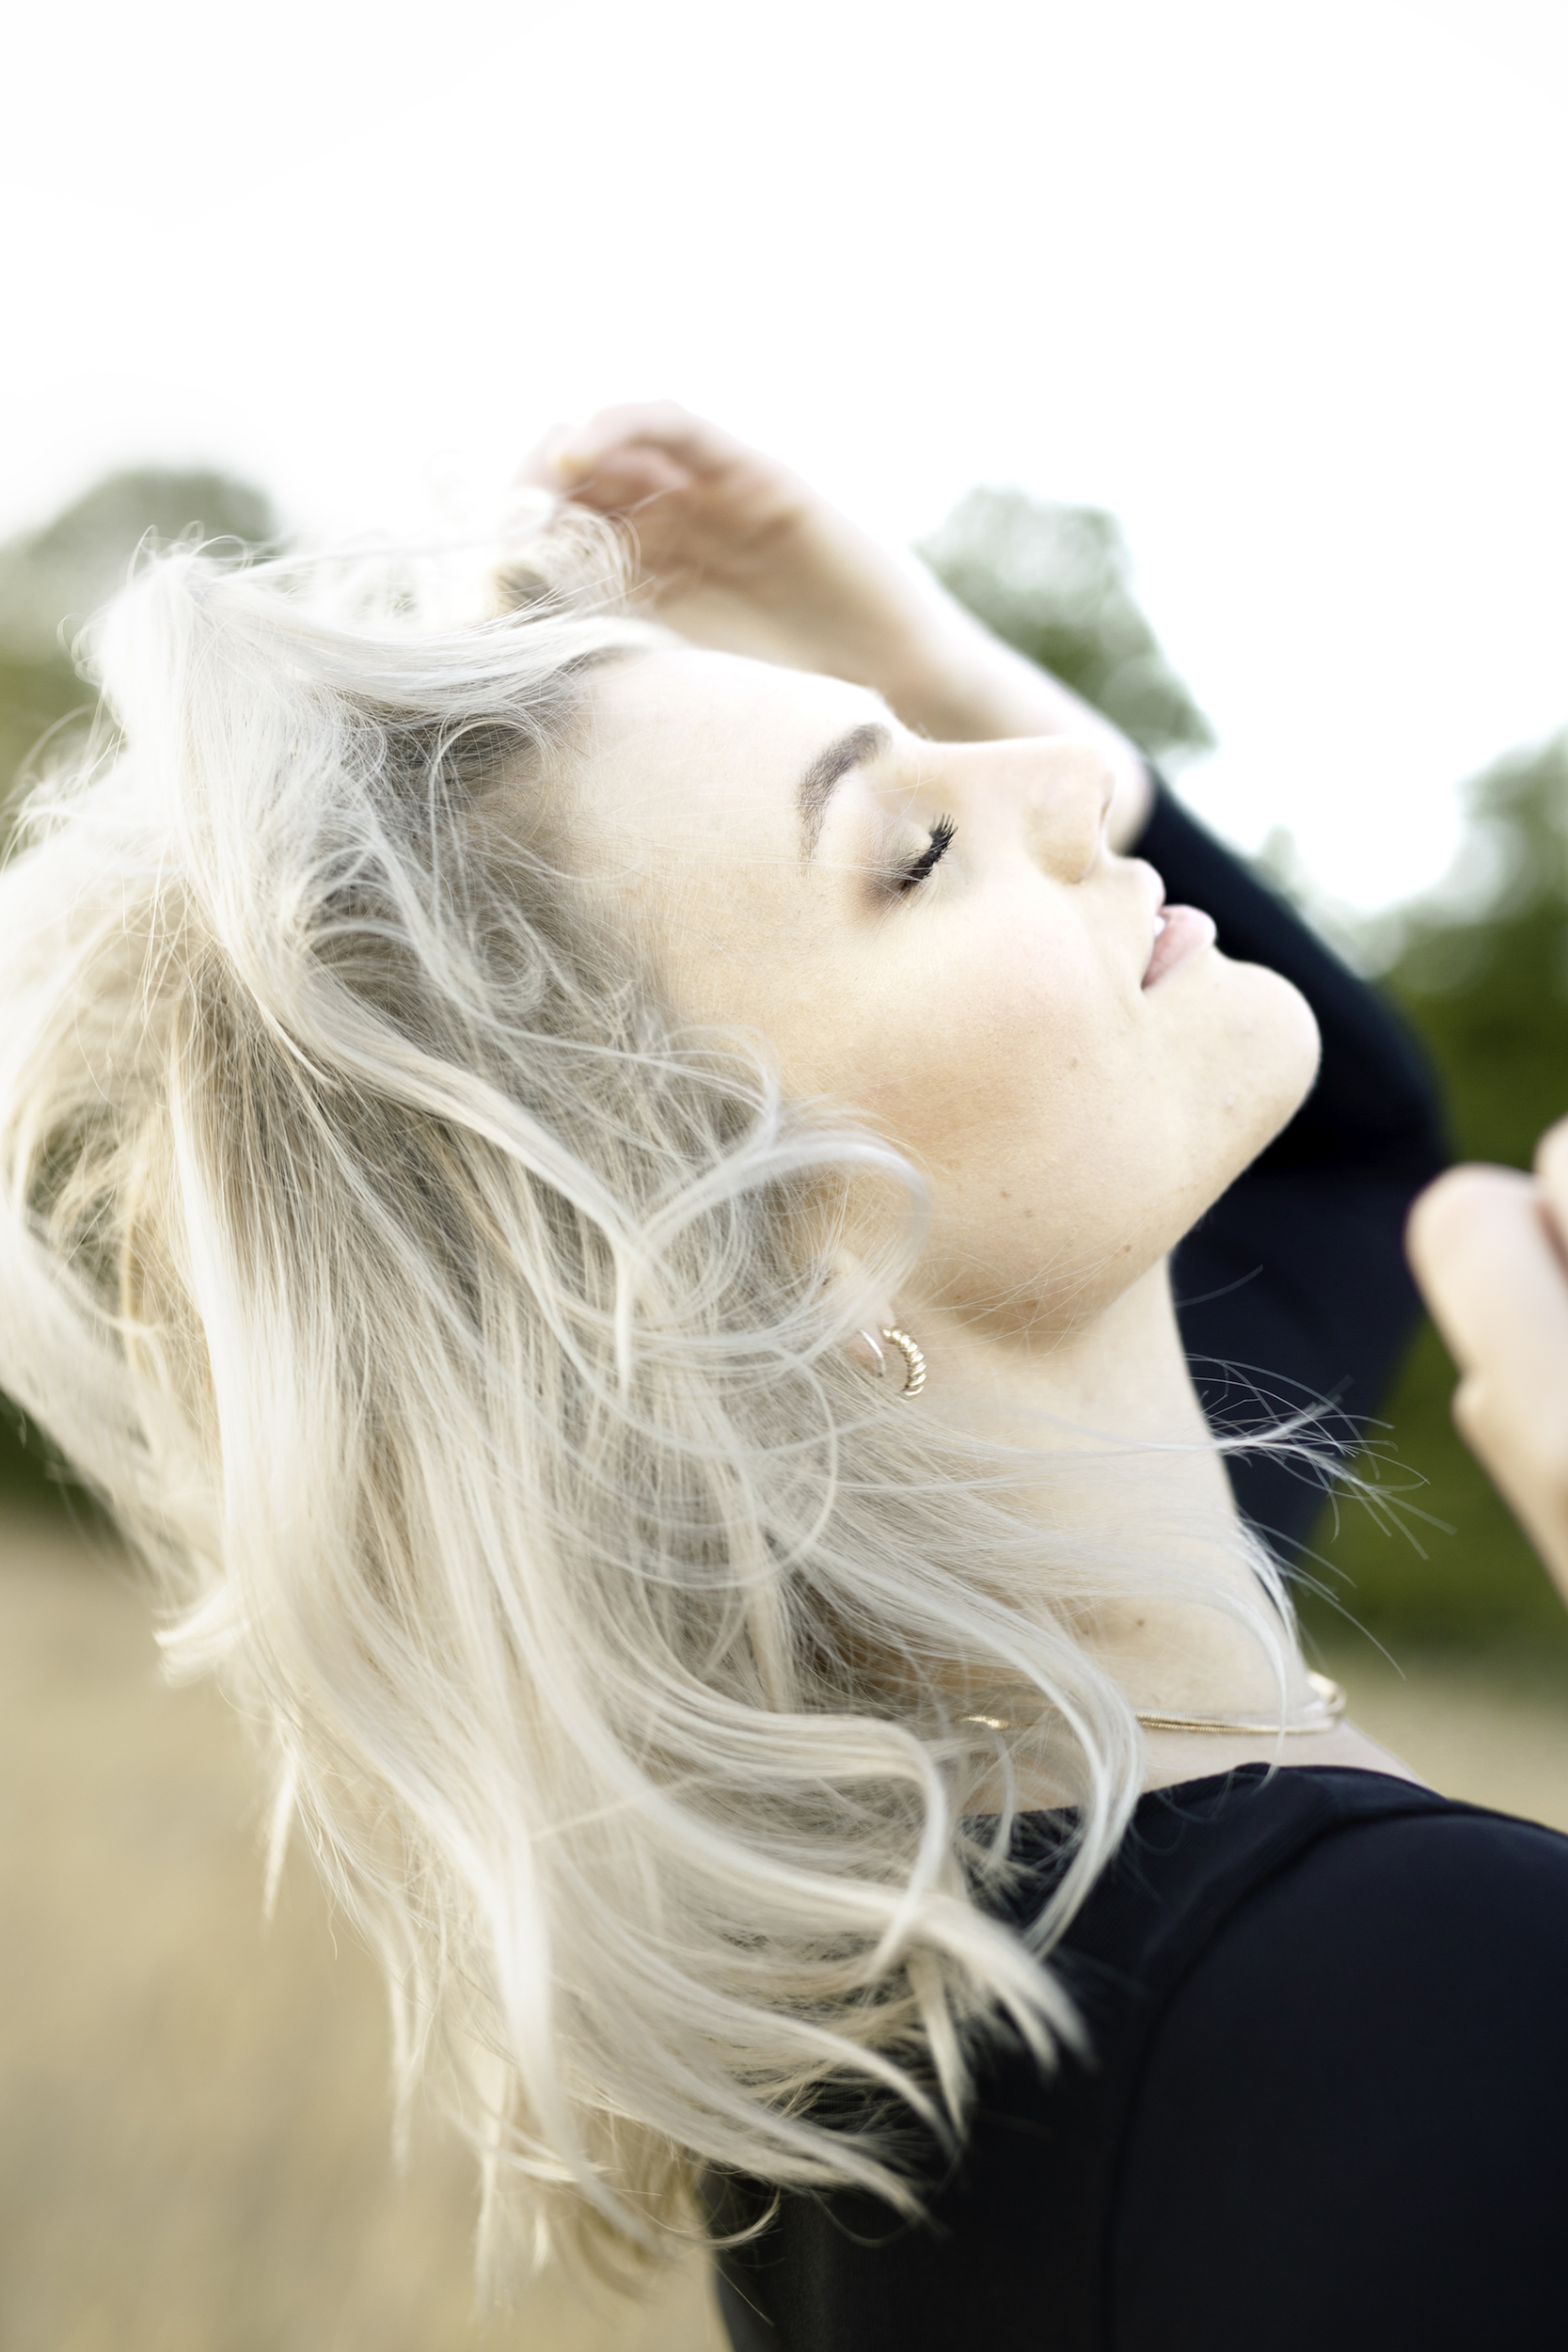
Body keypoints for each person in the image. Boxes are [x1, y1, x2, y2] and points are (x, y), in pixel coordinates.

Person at [1, 405, 1563, 2351]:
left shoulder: (962, 1910)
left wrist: (909, 653)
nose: (1075, 776)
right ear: (760, 1257)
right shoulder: (1414, 2017)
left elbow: (1344, 1153)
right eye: (913, 850)